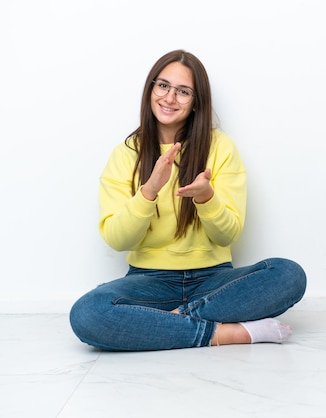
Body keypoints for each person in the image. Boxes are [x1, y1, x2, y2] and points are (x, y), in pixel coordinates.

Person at [69, 50, 306, 351]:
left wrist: (207, 198)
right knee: (87, 313)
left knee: (289, 275)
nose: (170, 98)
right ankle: (224, 334)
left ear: (196, 102)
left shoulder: (220, 147)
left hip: (213, 280)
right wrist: (149, 191)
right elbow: (117, 239)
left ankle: (169, 322)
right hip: (149, 281)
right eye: (163, 86)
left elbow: (228, 233)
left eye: (183, 92)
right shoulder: (126, 153)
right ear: (150, 89)